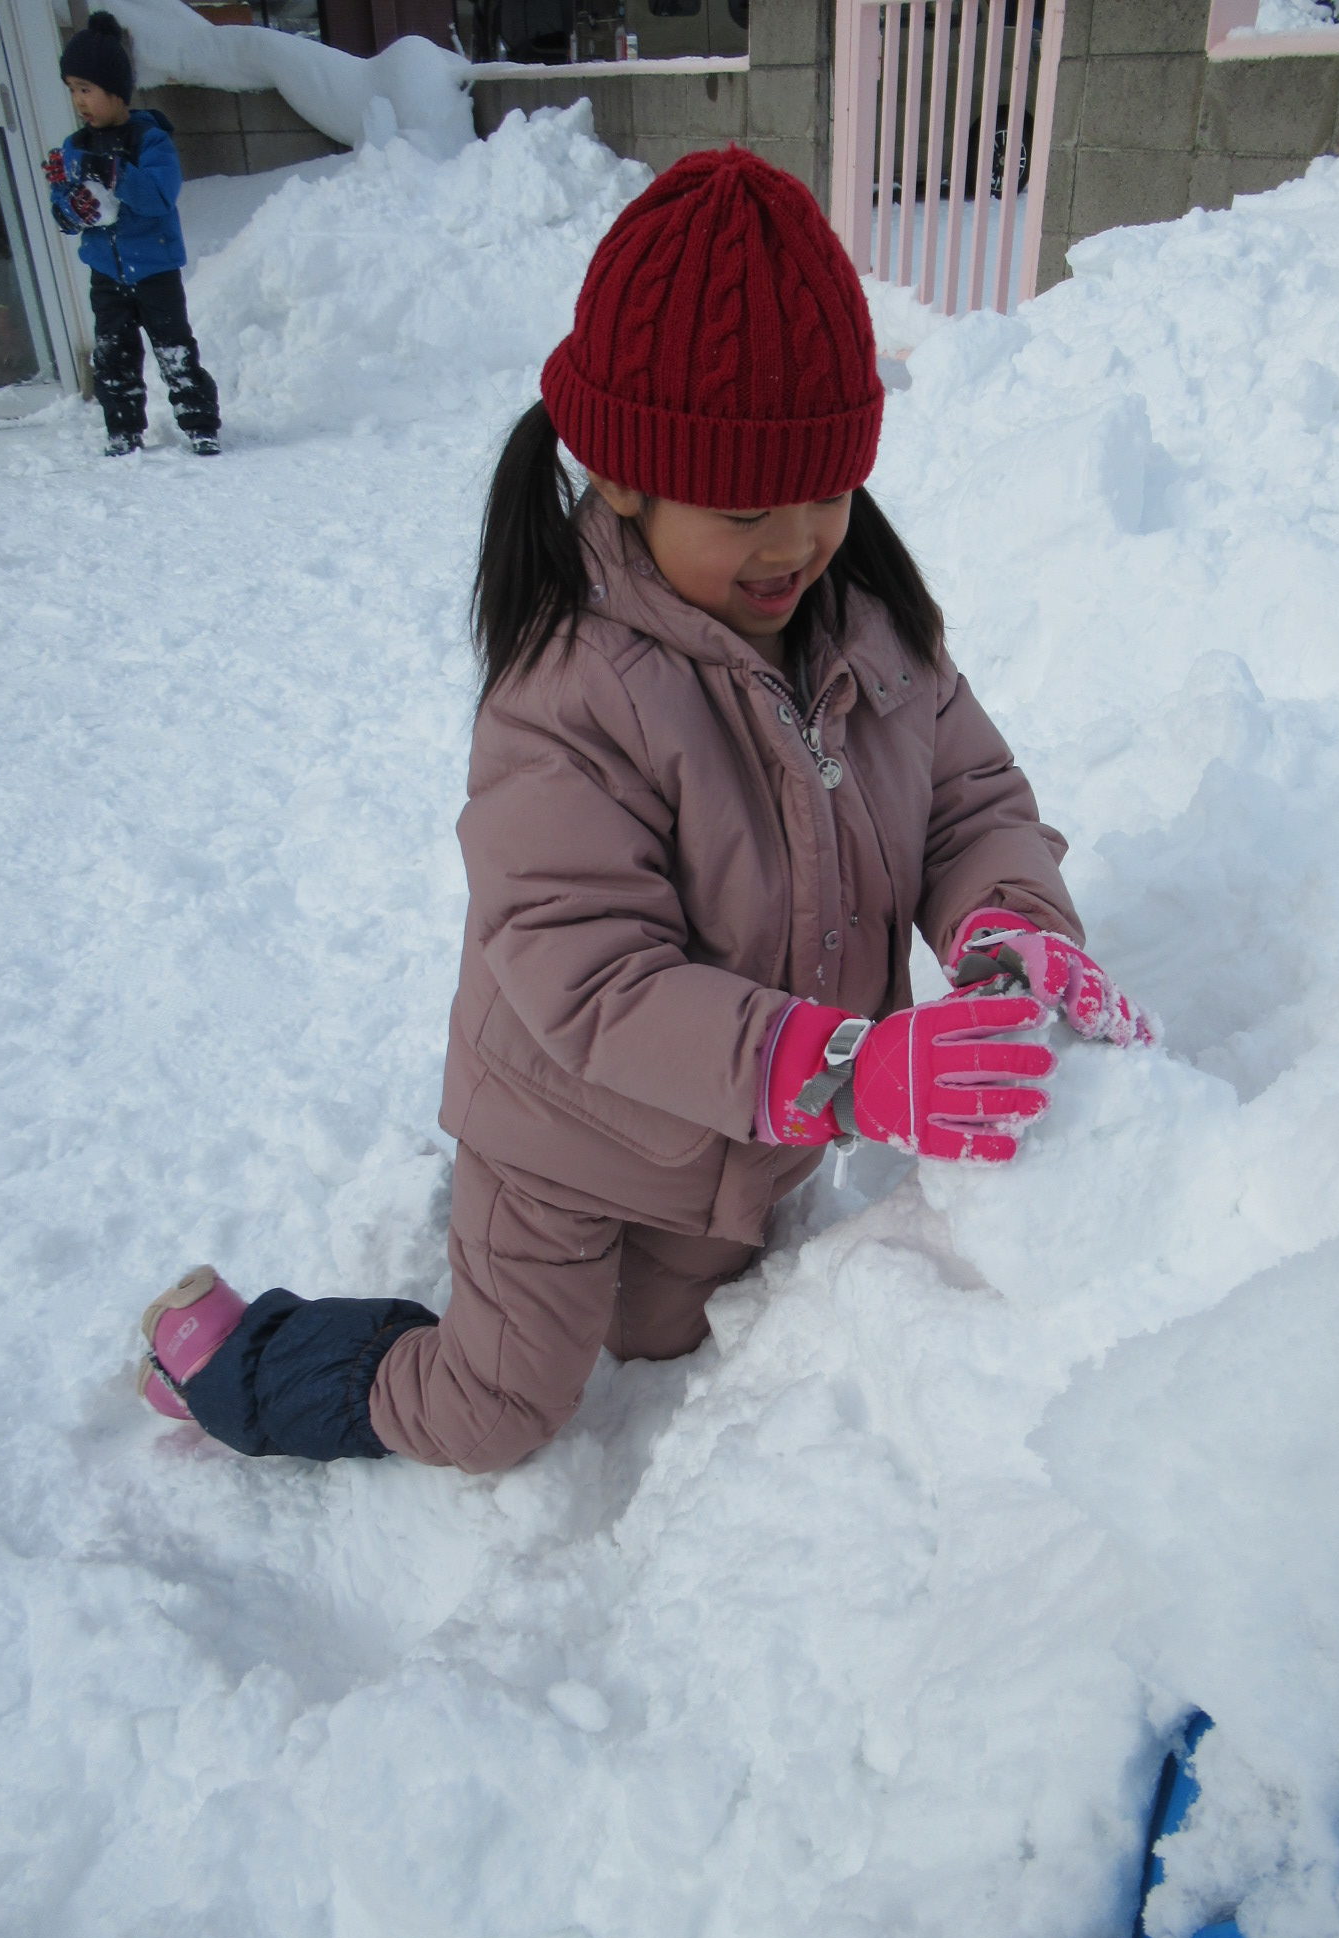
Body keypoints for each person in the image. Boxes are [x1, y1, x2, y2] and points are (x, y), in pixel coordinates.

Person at [136, 148, 1151, 1471]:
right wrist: (844, 1072)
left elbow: (967, 801)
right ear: (622, 479)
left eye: (827, 488)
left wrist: (1011, 929)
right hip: (565, 1134)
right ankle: (231, 1363)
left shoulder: (868, 628)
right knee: (500, 1407)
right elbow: (593, 976)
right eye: (745, 507)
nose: (795, 541)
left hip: (731, 1131)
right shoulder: (570, 691)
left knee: (665, 1340)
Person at [44, 11, 220, 457]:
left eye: (86, 89)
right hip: (106, 273)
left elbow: (159, 197)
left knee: (175, 351)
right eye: (72, 90)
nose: (78, 101)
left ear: (116, 91)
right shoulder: (75, 148)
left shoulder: (150, 140)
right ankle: (123, 430)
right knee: (113, 355)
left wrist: (112, 172)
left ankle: (200, 424)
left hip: (156, 270)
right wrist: (71, 211)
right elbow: (62, 203)